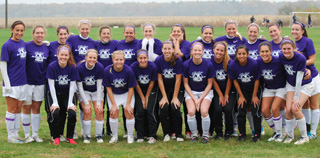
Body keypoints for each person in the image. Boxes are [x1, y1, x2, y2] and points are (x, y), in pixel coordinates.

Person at [279, 39, 313, 145]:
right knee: (288, 109)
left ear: (293, 48)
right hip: (291, 85)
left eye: (289, 48)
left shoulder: (300, 58)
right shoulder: (281, 56)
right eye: (284, 49)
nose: (286, 51)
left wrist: (296, 97)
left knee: (295, 108)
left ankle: (304, 137)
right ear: (281, 49)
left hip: (304, 85)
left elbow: (299, 79)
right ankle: (290, 136)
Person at [67, 20, 95, 139]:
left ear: (90, 29)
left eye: (87, 29)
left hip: (86, 77)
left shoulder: (93, 42)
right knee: (74, 103)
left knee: (84, 105)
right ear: (79, 29)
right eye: (82, 29)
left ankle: (84, 131)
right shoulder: (72, 39)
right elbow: (65, 49)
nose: (85, 31)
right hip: (74, 75)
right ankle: (72, 131)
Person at [1, 21, 27, 143]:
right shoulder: (7, 45)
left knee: (18, 109)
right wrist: (7, 83)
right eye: (17, 30)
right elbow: (3, 65)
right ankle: (10, 136)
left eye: (21, 30)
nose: (19, 33)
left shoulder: (22, 43)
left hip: (23, 82)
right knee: (11, 109)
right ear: (12, 30)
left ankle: (16, 134)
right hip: (12, 84)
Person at [228, 45, 261, 142]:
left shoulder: (253, 63)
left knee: (255, 109)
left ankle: (257, 134)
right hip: (242, 89)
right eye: (239, 54)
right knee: (241, 110)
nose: (241, 56)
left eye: (244, 54)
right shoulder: (233, 65)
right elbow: (234, 81)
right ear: (236, 54)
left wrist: (254, 96)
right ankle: (242, 133)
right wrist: (241, 96)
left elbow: (257, 80)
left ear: (247, 54)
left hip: (254, 88)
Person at [292, 22, 319, 139]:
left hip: (312, 76)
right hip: (302, 77)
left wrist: (300, 64)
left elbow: (312, 60)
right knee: (305, 104)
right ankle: (307, 129)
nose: (294, 31)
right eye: (293, 29)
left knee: (314, 104)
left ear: (302, 31)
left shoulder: (307, 41)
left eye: (297, 30)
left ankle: (313, 132)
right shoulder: (293, 43)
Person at [103, 50, 137, 144]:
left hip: (126, 93)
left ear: (124, 60)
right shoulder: (107, 70)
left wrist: (128, 104)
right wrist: (113, 104)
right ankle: (114, 136)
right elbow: (108, 88)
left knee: (129, 112)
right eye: (116, 59)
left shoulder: (129, 70)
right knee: (113, 112)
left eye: (121, 59)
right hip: (113, 94)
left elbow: (131, 88)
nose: (119, 62)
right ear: (112, 60)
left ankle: (130, 135)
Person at [46, 45, 78, 145]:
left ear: (69, 56)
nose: (63, 57)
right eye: (61, 55)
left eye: (66, 55)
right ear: (57, 55)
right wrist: (55, 102)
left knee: (72, 113)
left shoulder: (72, 67)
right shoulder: (52, 66)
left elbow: (72, 86)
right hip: (53, 93)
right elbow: (51, 86)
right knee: (55, 113)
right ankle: (56, 136)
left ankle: (70, 137)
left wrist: (70, 104)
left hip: (67, 93)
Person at [183, 42, 214, 143]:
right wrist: (194, 98)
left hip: (205, 91)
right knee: (191, 111)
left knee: (204, 111)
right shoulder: (186, 64)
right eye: (195, 50)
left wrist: (200, 100)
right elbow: (186, 84)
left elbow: (210, 84)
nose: (197, 52)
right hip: (191, 91)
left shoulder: (208, 64)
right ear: (191, 51)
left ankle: (205, 135)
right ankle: (194, 135)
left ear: (202, 51)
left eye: (199, 50)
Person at [22, 25, 49, 143]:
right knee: (26, 108)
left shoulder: (47, 47)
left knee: (36, 109)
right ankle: (27, 135)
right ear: (33, 33)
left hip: (40, 82)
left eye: (42, 33)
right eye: (37, 33)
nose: (39, 35)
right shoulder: (26, 46)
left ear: (44, 34)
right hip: (27, 82)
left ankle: (35, 135)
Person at [155, 41, 184, 142]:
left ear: (173, 50)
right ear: (162, 50)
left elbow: (178, 79)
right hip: (164, 89)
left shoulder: (178, 60)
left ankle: (178, 134)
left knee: (175, 108)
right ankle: (166, 133)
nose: (167, 51)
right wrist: (164, 96)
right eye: (165, 49)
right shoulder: (158, 60)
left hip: (177, 88)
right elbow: (159, 79)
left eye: (169, 49)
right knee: (164, 108)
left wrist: (175, 97)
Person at [257, 42, 286, 142]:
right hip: (269, 88)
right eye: (262, 52)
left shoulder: (278, 61)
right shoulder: (258, 61)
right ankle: (277, 132)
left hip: (281, 87)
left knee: (274, 108)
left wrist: (306, 70)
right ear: (259, 52)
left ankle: (280, 134)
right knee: (264, 110)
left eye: (266, 51)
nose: (264, 54)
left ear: (271, 51)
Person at [76, 49, 104, 143]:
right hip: (84, 91)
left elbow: (99, 86)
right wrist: (86, 102)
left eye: (94, 58)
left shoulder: (99, 67)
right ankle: (86, 136)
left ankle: (99, 135)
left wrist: (99, 102)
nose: (92, 59)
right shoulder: (79, 67)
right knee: (87, 111)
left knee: (99, 111)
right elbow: (79, 87)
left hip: (96, 91)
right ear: (86, 57)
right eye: (90, 57)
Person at [130, 49, 159, 143]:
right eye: (140, 58)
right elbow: (136, 83)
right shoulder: (133, 67)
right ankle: (140, 135)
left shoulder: (153, 66)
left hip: (151, 90)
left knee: (150, 111)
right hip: (139, 90)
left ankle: (152, 135)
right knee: (139, 111)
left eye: (145, 58)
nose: (143, 60)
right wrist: (142, 98)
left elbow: (152, 83)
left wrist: (147, 97)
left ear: (148, 58)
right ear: (137, 58)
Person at [95, 25, 118, 137]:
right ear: (100, 34)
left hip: (111, 78)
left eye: (108, 33)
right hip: (99, 79)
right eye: (104, 33)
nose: (106, 35)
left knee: (110, 105)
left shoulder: (115, 44)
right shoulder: (96, 44)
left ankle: (109, 130)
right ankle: (101, 130)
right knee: (100, 104)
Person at [210, 41, 236, 141]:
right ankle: (219, 132)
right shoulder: (210, 62)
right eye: (217, 50)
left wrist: (226, 95)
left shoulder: (229, 62)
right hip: (217, 91)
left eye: (222, 50)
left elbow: (230, 80)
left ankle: (229, 132)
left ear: (225, 52)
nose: (219, 52)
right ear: (213, 50)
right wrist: (220, 95)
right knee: (218, 109)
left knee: (228, 109)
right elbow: (212, 80)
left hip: (230, 91)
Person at [169, 24, 191, 139]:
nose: (176, 33)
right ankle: (173, 130)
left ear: (183, 33)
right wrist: (172, 42)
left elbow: (178, 56)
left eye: (179, 31)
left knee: (186, 107)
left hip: (184, 81)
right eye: (174, 31)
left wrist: (176, 43)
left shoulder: (187, 44)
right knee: (172, 108)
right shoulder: (168, 44)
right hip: (171, 80)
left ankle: (188, 130)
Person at [268, 23, 287, 135]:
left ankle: (286, 128)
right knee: (278, 106)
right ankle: (280, 129)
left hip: (287, 78)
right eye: (271, 31)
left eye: (275, 30)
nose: (273, 33)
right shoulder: (268, 45)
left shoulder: (286, 43)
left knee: (283, 105)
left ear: (279, 30)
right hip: (274, 79)